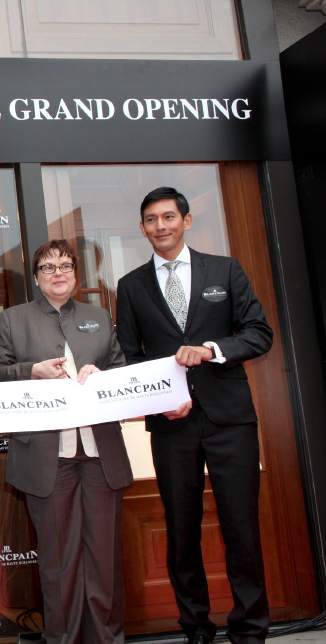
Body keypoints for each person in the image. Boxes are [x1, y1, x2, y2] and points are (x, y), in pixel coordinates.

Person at [116, 187, 272, 644]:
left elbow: (259, 333)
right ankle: (196, 630)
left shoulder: (224, 269)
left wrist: (212, 349)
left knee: (240, 526)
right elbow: (128, 358)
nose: (160, 226)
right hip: (171, 425)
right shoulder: (131, 286)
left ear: (186, 221)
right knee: (181, 531)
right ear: (142, 228)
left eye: (168, 217)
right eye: (151, 219)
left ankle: (250, 630)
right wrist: (156, 400)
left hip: (230, 420)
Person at [0, 239, 133, 644]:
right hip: (46, 457)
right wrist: (31, 371)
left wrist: (104, 378)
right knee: (58, 563)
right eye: (48, 267)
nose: (58, 273)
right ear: (36, 277)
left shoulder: (99, 316)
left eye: (66, 266)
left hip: (101, 454)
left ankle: (107, 639)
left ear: (75, 273)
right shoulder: (13, 319)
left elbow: (122, 371)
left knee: (104, 561)